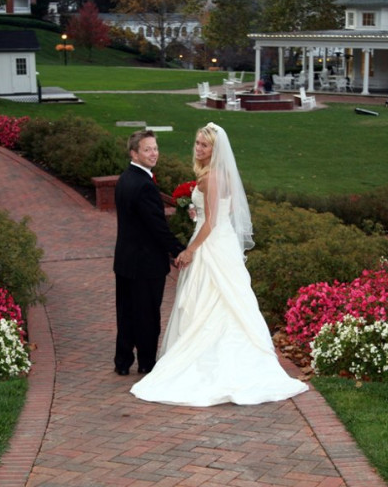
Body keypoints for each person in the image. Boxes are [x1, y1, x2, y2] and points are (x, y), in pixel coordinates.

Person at [130, 123, 308, 406]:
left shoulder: (209, 178)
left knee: (207, 300)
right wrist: (197, 211)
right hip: (223, 243)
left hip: (211, 245)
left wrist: (190, 250)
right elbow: (228, 211)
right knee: (228, 300)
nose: (198, 148)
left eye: (204, 145)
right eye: (197, 143)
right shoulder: (223, 175)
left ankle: (209, 363)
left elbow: (211, 222)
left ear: (215, 149)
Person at [114, 130, 186, 376]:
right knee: (147, 316)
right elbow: (157, 227)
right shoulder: (144, 185)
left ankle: (122, 361)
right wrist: (179, 250)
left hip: (124, 260)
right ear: (134, 153)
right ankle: (146, 363)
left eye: (155, 148)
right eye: (147, 149)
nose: (153, 153)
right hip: (145, 263)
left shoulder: (125, 178)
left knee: (126, 313)